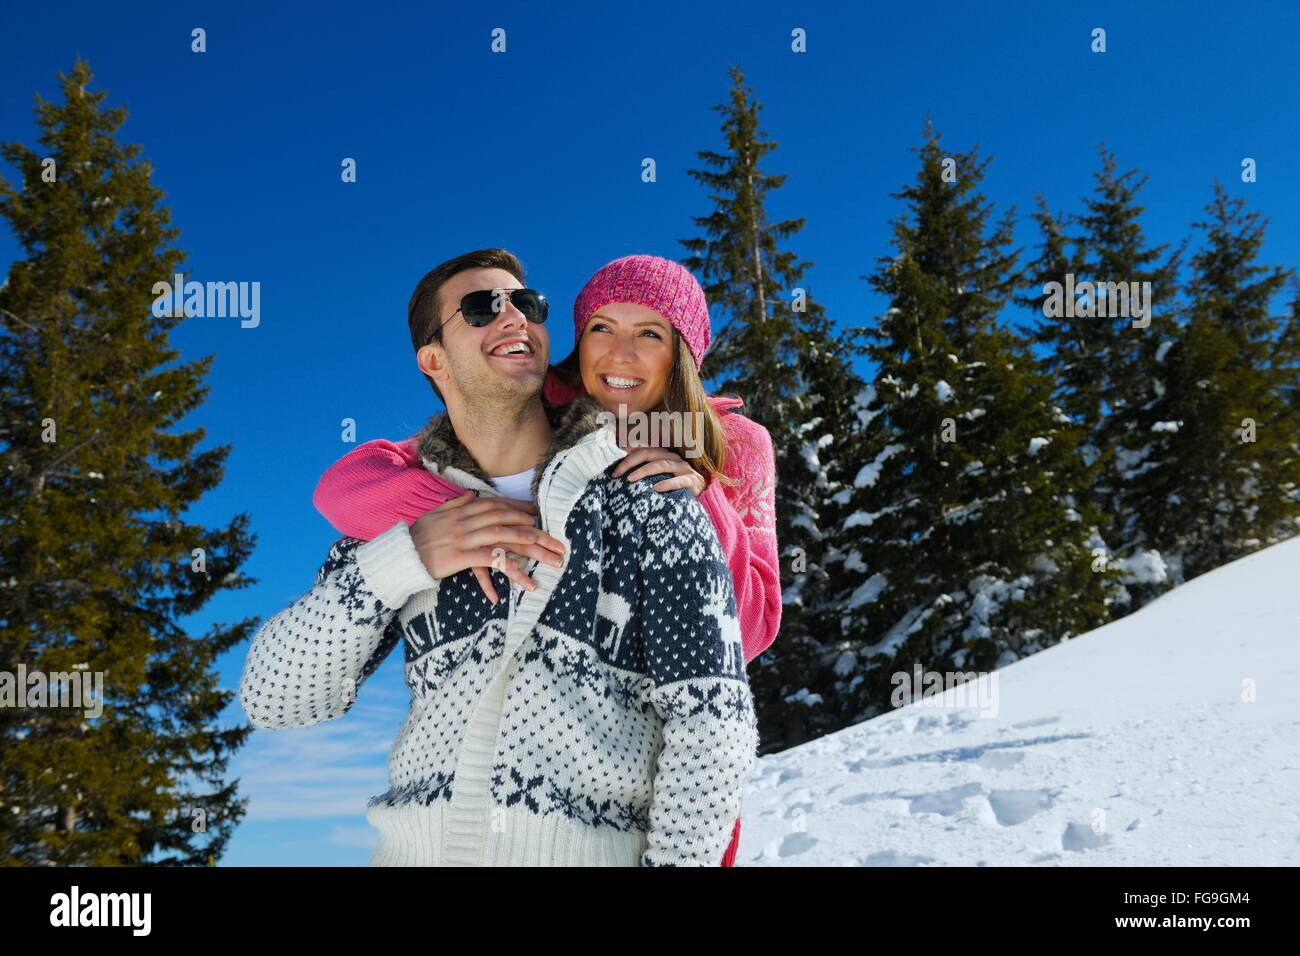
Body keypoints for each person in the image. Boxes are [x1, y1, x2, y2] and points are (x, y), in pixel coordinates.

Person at [239, 248, 758, 866]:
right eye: (483, 307)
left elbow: (712, 726)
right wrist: (408, 557)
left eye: (528, 304)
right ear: (433, 359)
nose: (514, 316)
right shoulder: (400, 522)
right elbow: (274, 698)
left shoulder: (651, 500)